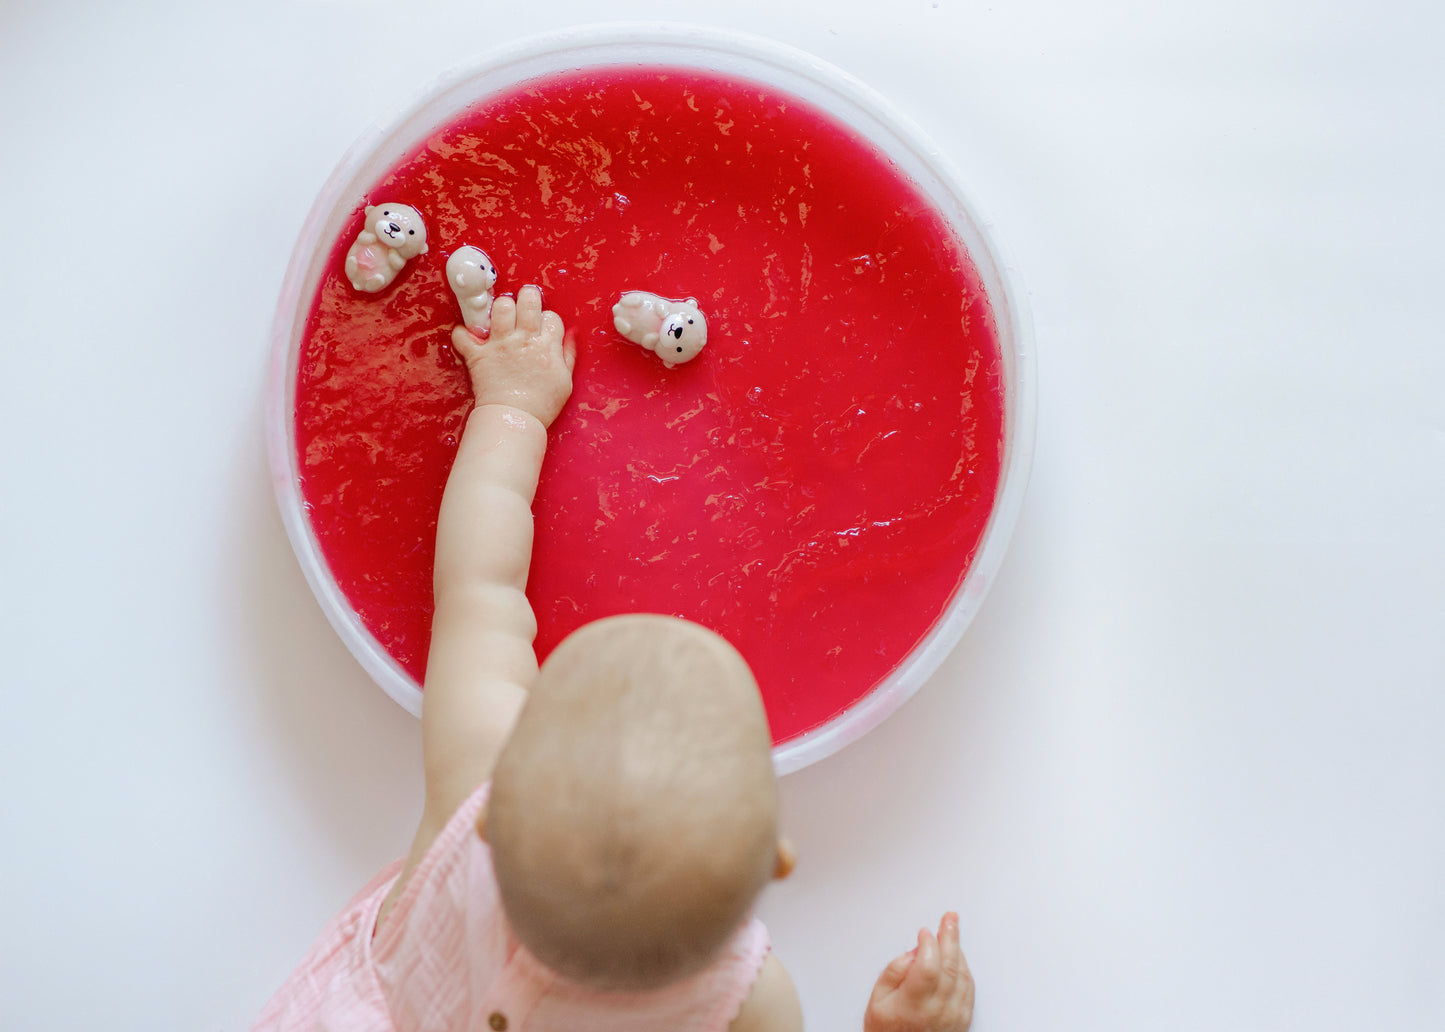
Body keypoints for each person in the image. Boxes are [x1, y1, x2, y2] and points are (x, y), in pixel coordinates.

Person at [254, 286, 975, 1032]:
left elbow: (478, 585)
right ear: (776, 862)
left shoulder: (476, 785)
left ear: (493, 820)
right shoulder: (748, 1005)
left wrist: (512, 409)